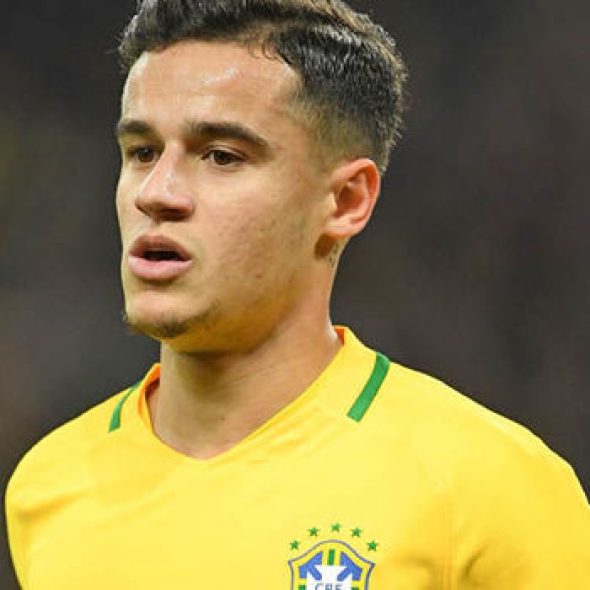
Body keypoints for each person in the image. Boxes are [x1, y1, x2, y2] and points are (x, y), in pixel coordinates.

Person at [5, 0, 590, 587]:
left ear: (346, 201)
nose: (156, 193)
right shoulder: (47, 486)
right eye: (142, 152)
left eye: (221, 156)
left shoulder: (489, 487)